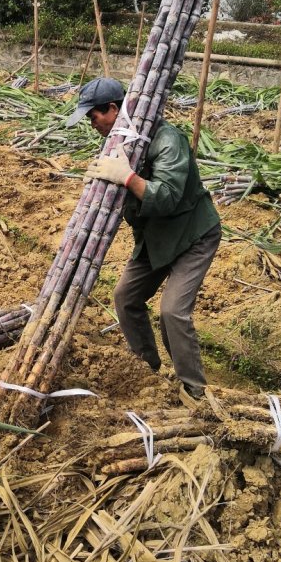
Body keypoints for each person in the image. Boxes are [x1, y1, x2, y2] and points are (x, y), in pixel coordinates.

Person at [68, 76, 221, 398]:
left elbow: (165, 195)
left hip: (192, 235)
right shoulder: (119, 141)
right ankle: (146, 367)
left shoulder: (167, 140)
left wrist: (126, 178)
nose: (91, 124)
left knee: (173, 312)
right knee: (126, 298)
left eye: (93, 117)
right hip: (156, 237)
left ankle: (194, 390)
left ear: (112, 109)